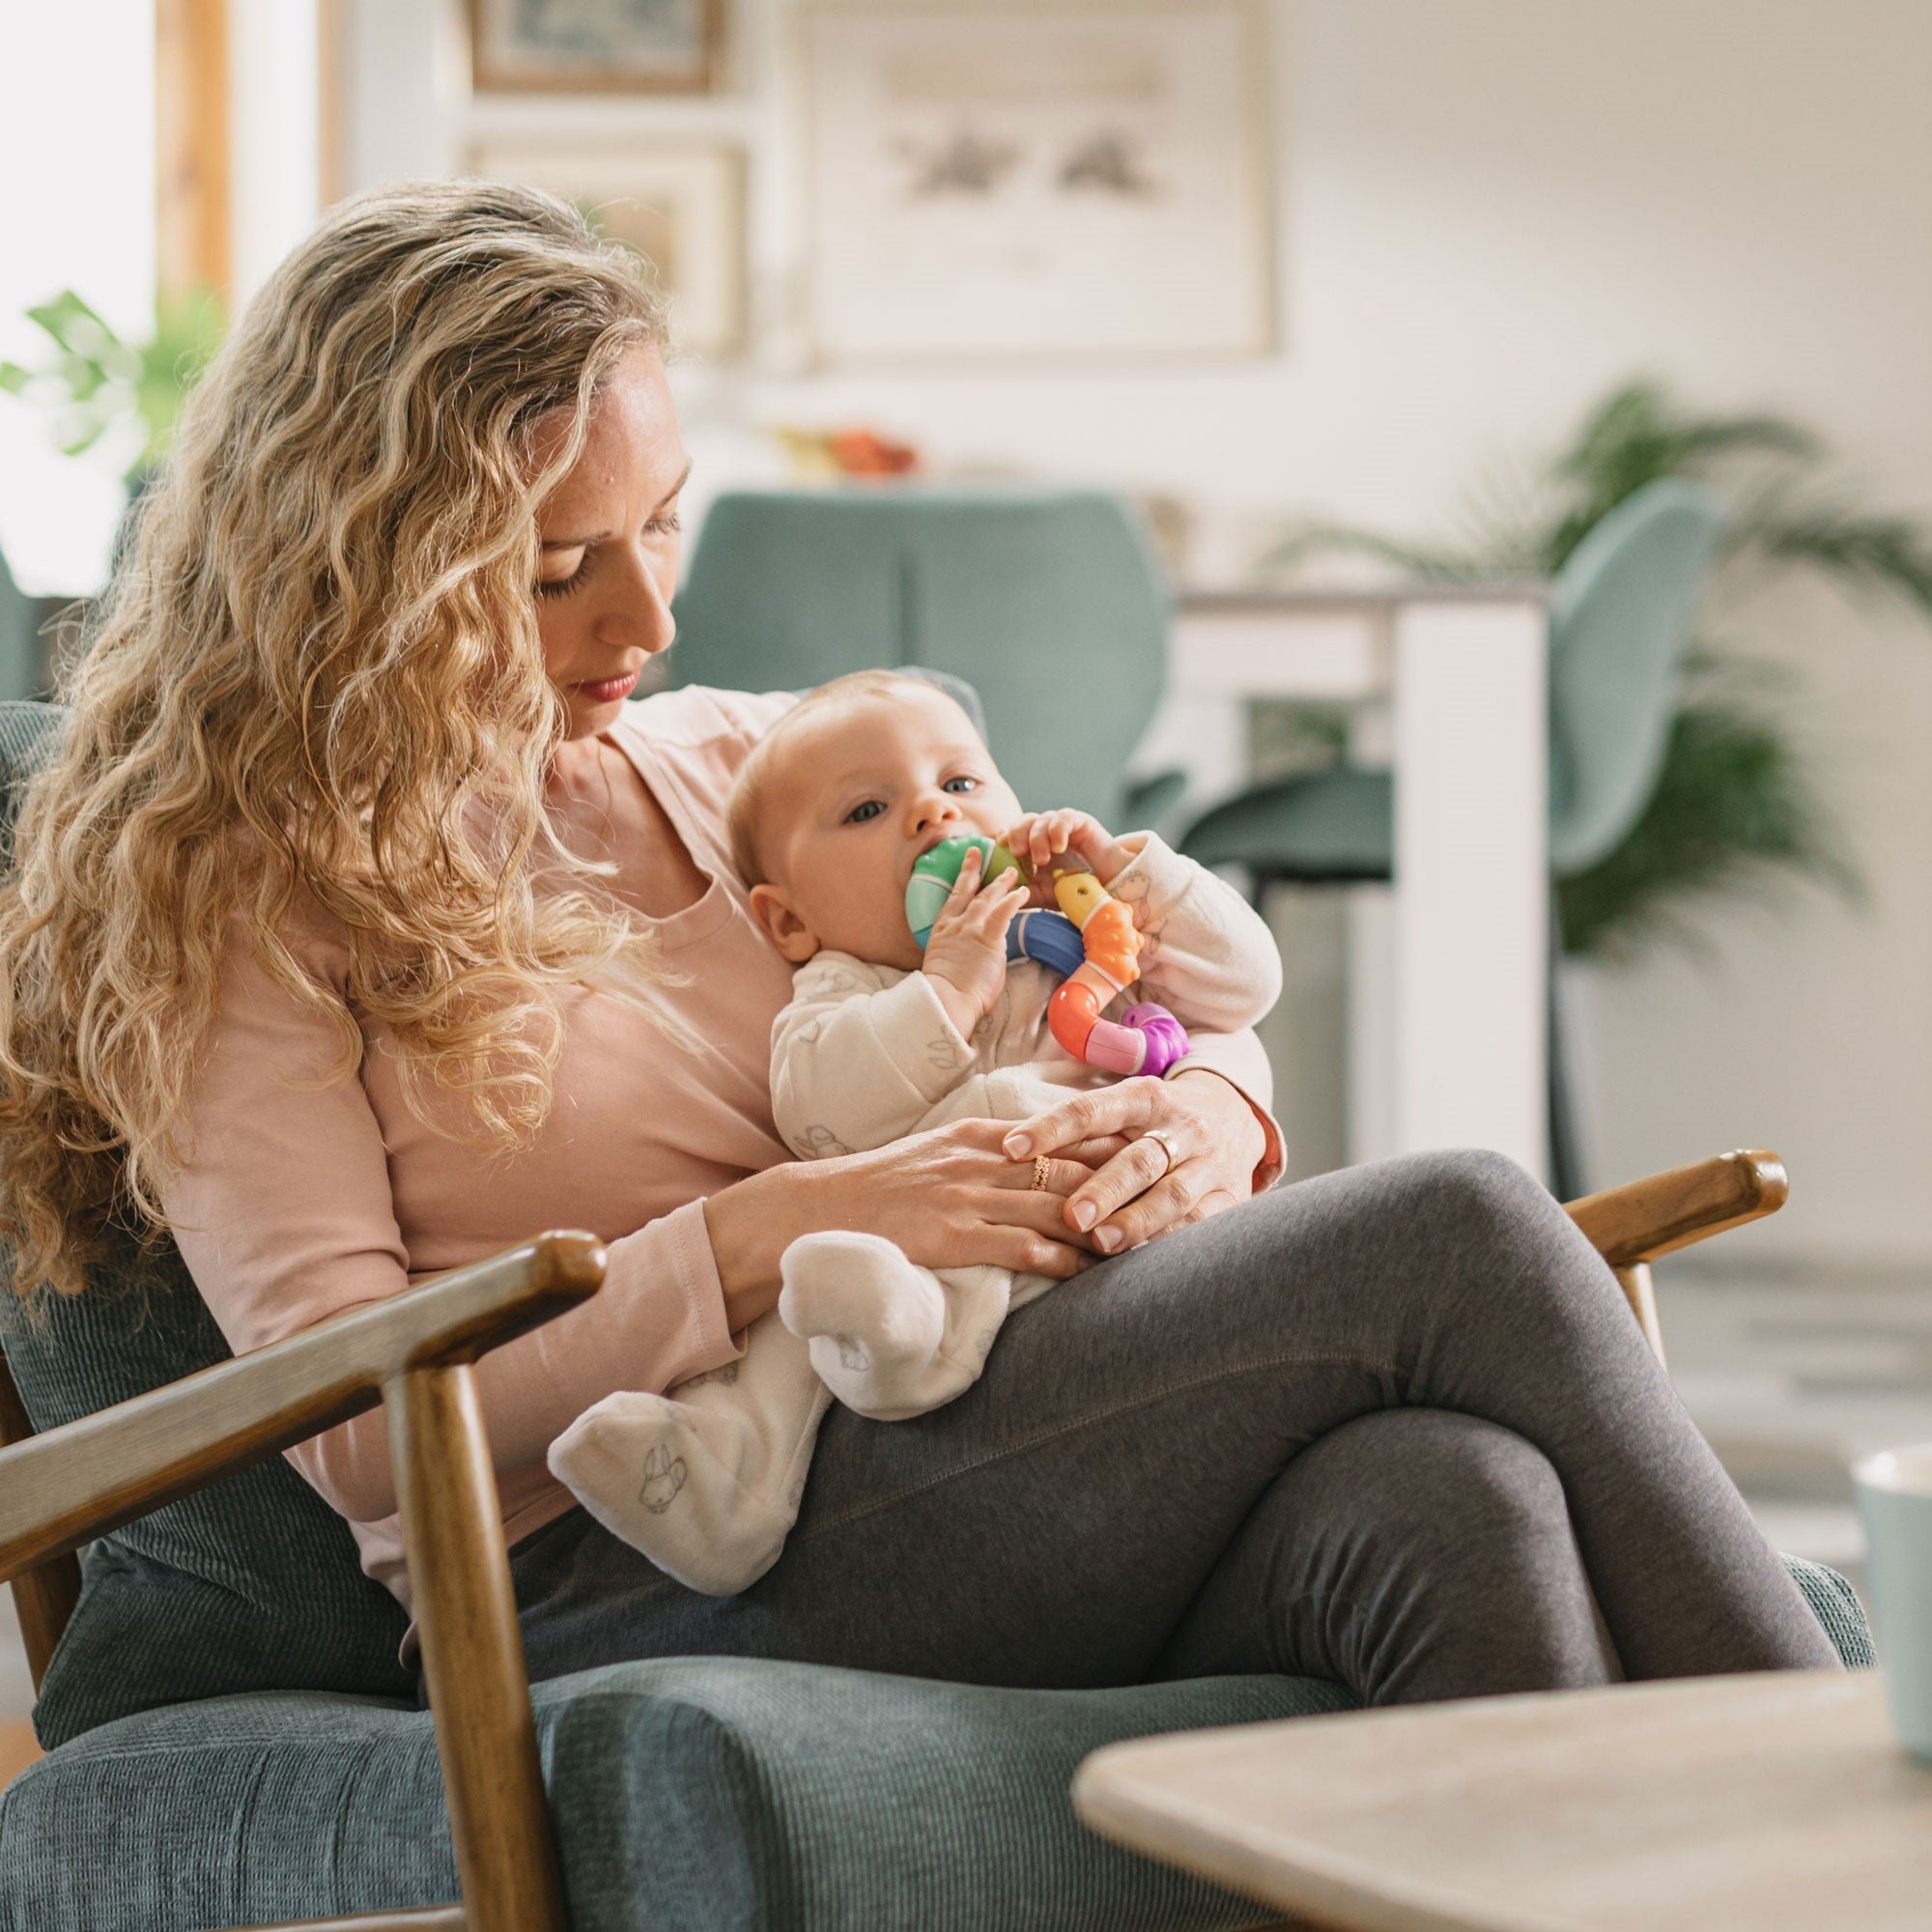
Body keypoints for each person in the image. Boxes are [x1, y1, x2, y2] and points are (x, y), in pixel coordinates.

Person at [0, 181, 1836, 1710]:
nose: (645, 609)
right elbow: (351, 1429)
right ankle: (1843, 1834)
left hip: (979, 1411)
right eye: (557, 568)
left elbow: (1107, 974)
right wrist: (761, 1232)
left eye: (662, 525)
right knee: (1458, 1233)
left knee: (1454, 1508)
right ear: (364, 560)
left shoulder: (750, 758)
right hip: (640, 1557)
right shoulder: (244, 899)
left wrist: (1211, 1125)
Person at [550, 668, 1283, 1594]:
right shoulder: (843, 988)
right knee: (802, 1293)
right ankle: (730, 1481)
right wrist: (945, 992)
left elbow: (1246, 986)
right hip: (933, 1256)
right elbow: (827, 1119)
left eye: (962, 783)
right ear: (788, 920)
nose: (933, 816)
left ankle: (892, 1340)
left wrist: (1134, 873)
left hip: (1117, 1240)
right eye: (866, 811)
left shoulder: (1081, 927)